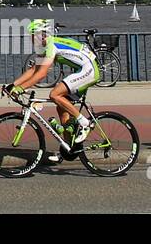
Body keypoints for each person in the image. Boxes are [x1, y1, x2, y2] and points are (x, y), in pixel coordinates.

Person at [6, 20, 98, 150]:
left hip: (89, 70)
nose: (31, 39)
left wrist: (20, 89)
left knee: (55, 94)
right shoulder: (46, 46)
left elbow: (41, 74)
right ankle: (69, 148)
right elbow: (34, 69)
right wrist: (13, 85)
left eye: (32, 35)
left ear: (41, 34)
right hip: (84, 69)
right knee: (61, 107)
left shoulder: (51, 45)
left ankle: (85, 123)